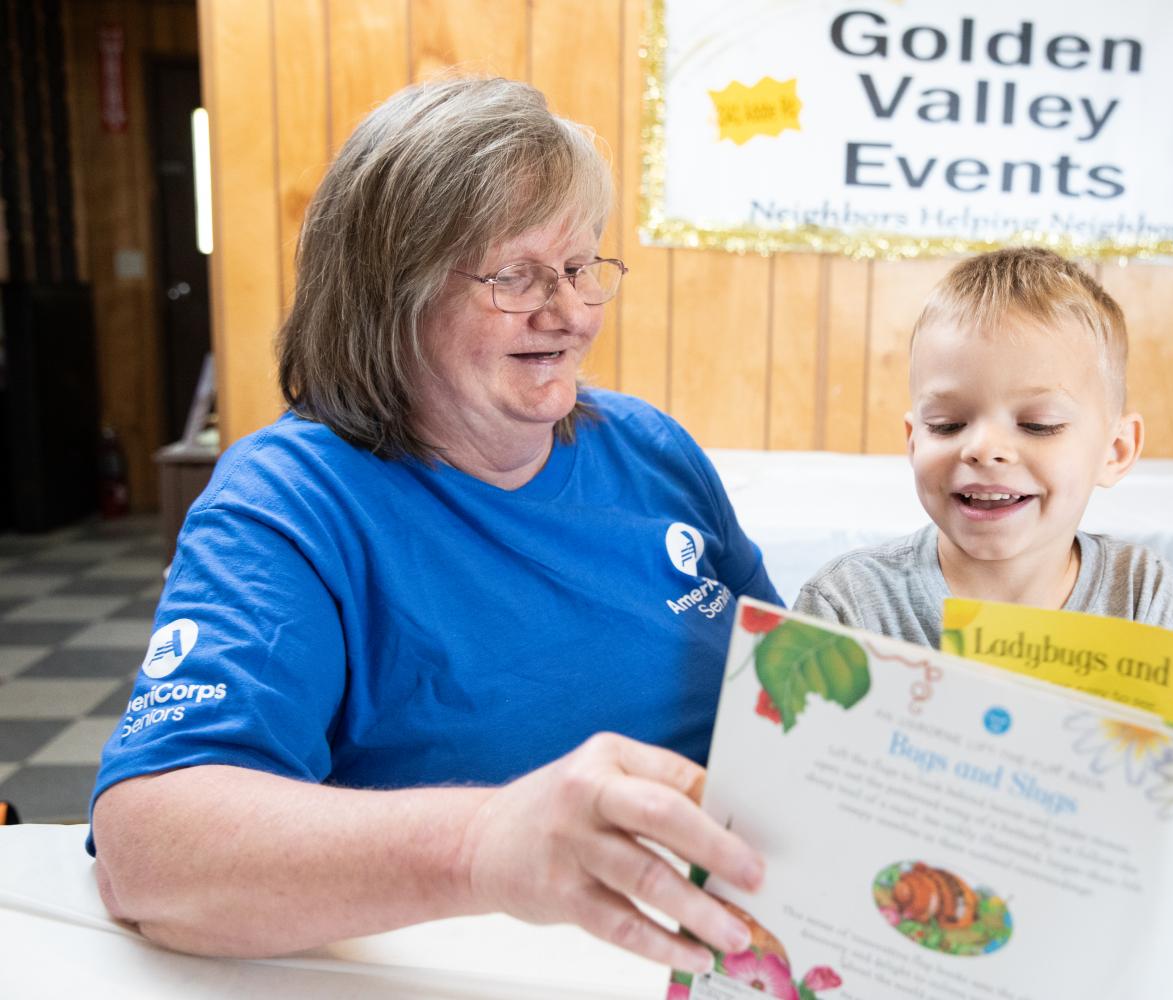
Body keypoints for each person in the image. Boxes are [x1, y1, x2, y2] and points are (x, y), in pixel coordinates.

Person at [89, 77, 778, 971]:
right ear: (391, 295)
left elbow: (784, 703)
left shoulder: (649, 449)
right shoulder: (295, 502)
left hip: (722, 955)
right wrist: (481, 845)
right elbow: (149, 849)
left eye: (579, 269)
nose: (568, 313)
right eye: (517, 276)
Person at [795, 247, 1173, 646]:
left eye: (1039, 425)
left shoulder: (1139, 595)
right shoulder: (847, 605)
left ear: (1116, 451)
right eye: (946, 425)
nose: (984, 449)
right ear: (914, 442)